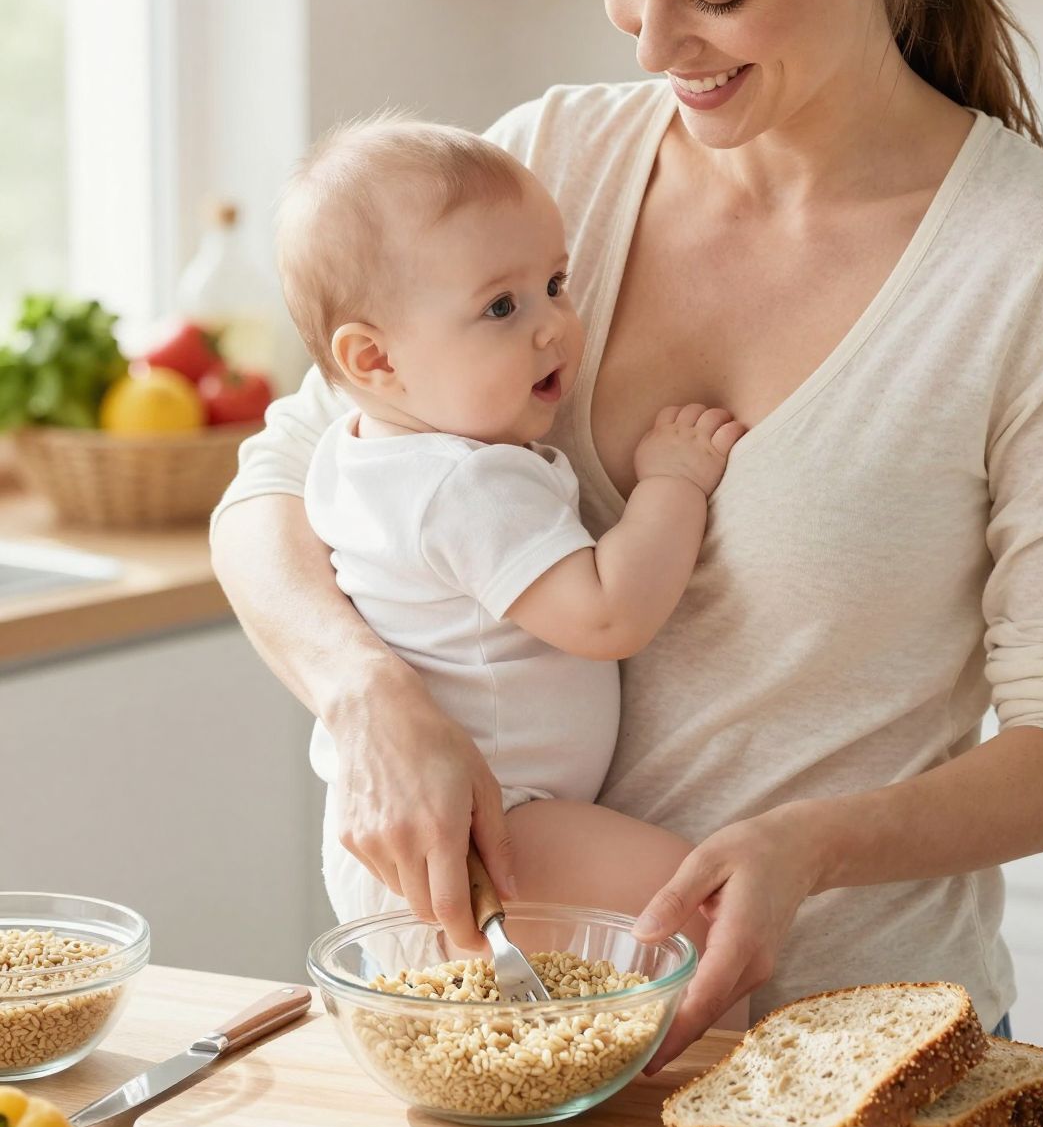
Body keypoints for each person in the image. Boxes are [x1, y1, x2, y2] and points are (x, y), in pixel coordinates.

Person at [211, 0, 1043, 1072]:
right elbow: (281, 482)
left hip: (842, 1046)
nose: (657, 47)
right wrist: (364, 691)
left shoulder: (1040, 262)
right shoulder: (548, 163)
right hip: (511, 1029)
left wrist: (804, 849)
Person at [274, 110, 742, 938]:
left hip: (422, 827)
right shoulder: (463, 483)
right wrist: (672, 482)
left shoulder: (358, 454)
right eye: (500, 307)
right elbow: (609, 613)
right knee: (696, 911)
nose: (552, 325)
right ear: (375, 361)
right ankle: (705, 1074)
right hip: (491, 826)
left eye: (555, 285)